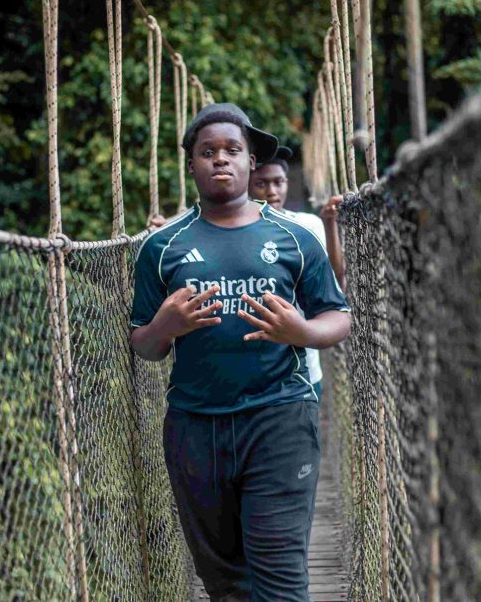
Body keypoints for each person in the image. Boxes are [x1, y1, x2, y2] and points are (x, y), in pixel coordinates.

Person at [130, 103, 351, 602]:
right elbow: (142, 343)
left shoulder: (295, 236)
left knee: (280, 580)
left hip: (280, 418)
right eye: (207, 152)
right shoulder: (162, 247)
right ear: (191, 165)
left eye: (233, 150)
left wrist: (300, 331)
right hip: (195, 427)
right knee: (226, 583)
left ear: (253, 163)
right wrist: (166, 324)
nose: (220, 160)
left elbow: (339, 317)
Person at [248, 146, 347, 400]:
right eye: (261, 183)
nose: (271, 191)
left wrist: (329, 223)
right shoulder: (232, 231)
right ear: (247, 184)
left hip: (302, 368)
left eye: (278, 182)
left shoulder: (307, 225)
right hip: (248, 369)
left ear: (286, 183)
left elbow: (335, 279)